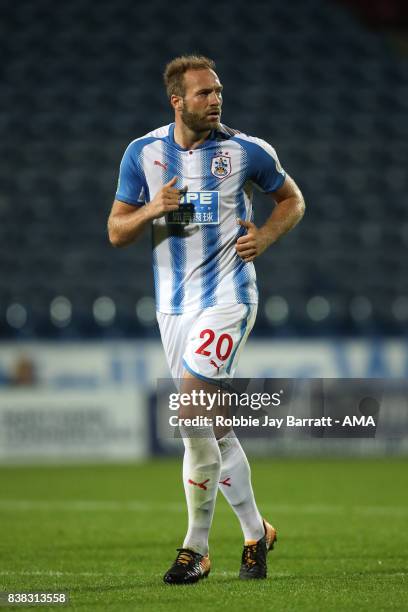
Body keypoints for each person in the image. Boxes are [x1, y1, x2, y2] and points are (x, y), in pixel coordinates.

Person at [108, 55, 305, 584]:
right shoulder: (143, 153)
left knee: (192, 413)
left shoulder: (246, 151)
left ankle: (195, 549)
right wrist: (154, 209)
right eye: (203, 93)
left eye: (218, 91)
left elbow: (291, 199)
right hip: (173, 307)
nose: (215, 99)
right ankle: (255, 532)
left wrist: (263, 236)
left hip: (229, 297)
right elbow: (117, 231)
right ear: (176, 100)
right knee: (211, 430)